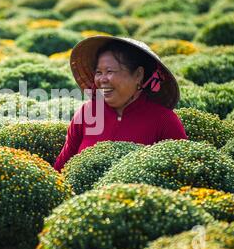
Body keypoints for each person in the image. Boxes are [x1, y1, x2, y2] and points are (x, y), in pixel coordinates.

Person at [53, 36, 187, 172]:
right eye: (99, 72)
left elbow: (182, 173)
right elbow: (60, 168)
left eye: (110, 71)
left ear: (138, 75)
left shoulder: (164, 120)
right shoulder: (87, 112)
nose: (102, 79)